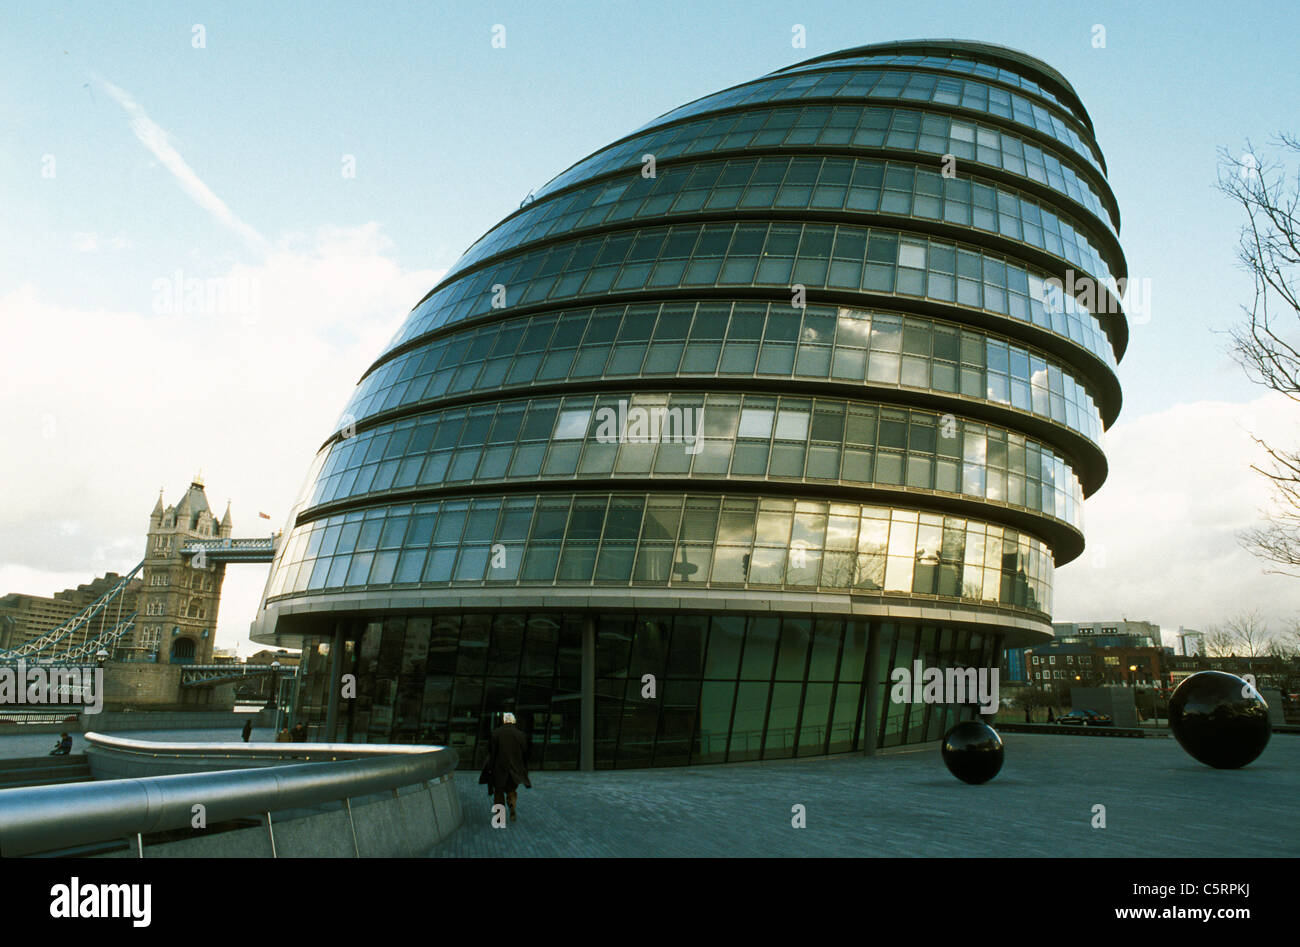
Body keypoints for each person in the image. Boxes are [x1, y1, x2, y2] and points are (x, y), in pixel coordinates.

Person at [488, 712, 531, 822]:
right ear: (513, 721)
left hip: (499, 767)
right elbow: (525, 753)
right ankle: (512, 805)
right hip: (515, 768)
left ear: (503, 720)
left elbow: (492, 753)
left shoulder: (496, 733)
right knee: (511, 790)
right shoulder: (520, 735)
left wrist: (490, 768)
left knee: (498, 791)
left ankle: (499, 817)